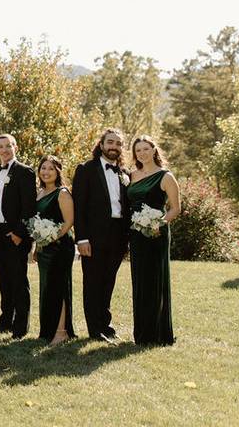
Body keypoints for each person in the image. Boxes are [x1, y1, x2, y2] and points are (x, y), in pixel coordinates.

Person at [73, 128, 130, 342]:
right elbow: (79, 206)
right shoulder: (86, 169)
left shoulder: (125, 173)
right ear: (102, 144)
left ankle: (105, 324)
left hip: (118, 236)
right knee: (93, 282)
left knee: (109, 281)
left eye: (118, 143)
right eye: (110, 142)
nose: (113, 146)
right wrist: (82, 239)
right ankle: (94, 329)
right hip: (93, 237)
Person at [128, 135, 180, 346]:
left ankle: (158, 333)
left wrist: (158, 223)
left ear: (154, 150)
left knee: (155, 280)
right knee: (140, 281)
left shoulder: (165, 176)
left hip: (156, 234)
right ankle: (142, 333)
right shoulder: (131, 175)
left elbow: (175, 208)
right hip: (136, 235)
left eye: (145, 149)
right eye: (138, 150)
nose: (142, 153)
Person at [0, 134, 37, 338]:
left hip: (15, 233)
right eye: (1, 146)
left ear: (15, 147)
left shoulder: (24, 172)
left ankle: (20, 326)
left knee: (18, 279)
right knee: (4, 279)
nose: (4, 150)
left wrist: (19, 233)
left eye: (8, 146)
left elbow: (28, 206)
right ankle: (6, 321)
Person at [33, 155, 76, 345]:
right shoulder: (39, 193)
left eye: (51, 168)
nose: (46, 172)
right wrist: (38, 245)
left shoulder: (62, 193)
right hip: (44, 247)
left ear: (58, 171)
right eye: (43, 168)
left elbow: (68, 222)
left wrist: (51, 237)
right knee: (47, 287)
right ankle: (48, 330)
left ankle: (61, 331)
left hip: (60, 246)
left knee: (59, 287)